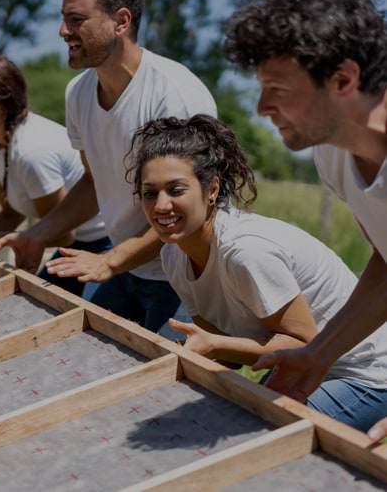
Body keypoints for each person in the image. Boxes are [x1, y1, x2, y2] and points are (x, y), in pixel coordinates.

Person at [0, 0, 217, 337]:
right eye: (64, 19)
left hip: (184, 275)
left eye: (76, 20)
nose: (64, 32)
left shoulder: (174, 96)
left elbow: (189, 211)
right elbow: (94, 181)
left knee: (162, 393)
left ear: (121, 21)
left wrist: (111, 260)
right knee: (78, 356)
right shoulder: (78, 93)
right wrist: (37, 234)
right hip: (124, 265)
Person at [126, 113, 387, 432]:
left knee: (264, 434)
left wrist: (212, 348)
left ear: (212, 190)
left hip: (365, 373)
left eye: (176, 190)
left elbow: (301, 345)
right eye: (150, 193)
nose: (161, 205)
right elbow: (227, 353)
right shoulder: (174, 255)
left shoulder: (245, 252)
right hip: (303, 367)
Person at [222, 0, 387, 439]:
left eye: (277, 89)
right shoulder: (332, 152)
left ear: (343, 79)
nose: (260, 107)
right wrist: (320, 354)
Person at [0, 54, 111, 297]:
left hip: (104, 243)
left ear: (3, 99)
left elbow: (62, 232)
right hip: (72, 243)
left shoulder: (32, 151)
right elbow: (10, 212)